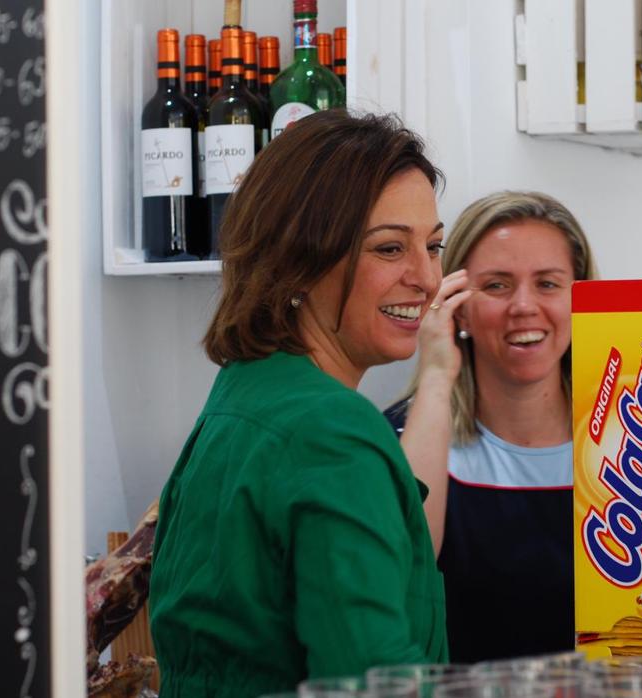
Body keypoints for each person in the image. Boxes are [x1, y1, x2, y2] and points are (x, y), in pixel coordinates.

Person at [149, 111, 462, 696]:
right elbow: (375, 683)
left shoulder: (244, 393)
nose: (426, 277)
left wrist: (440, 377)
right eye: (390, 248)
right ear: (299, 259)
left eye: (434, 245)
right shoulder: (332, 431)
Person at [391, 191, 598, 663]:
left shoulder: (635, 441)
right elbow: (401, 577)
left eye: (548, 284)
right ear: (457, 304)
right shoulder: (402, 439)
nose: (524, 306)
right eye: (498, 286)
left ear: (583, 298)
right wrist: (437, 374)